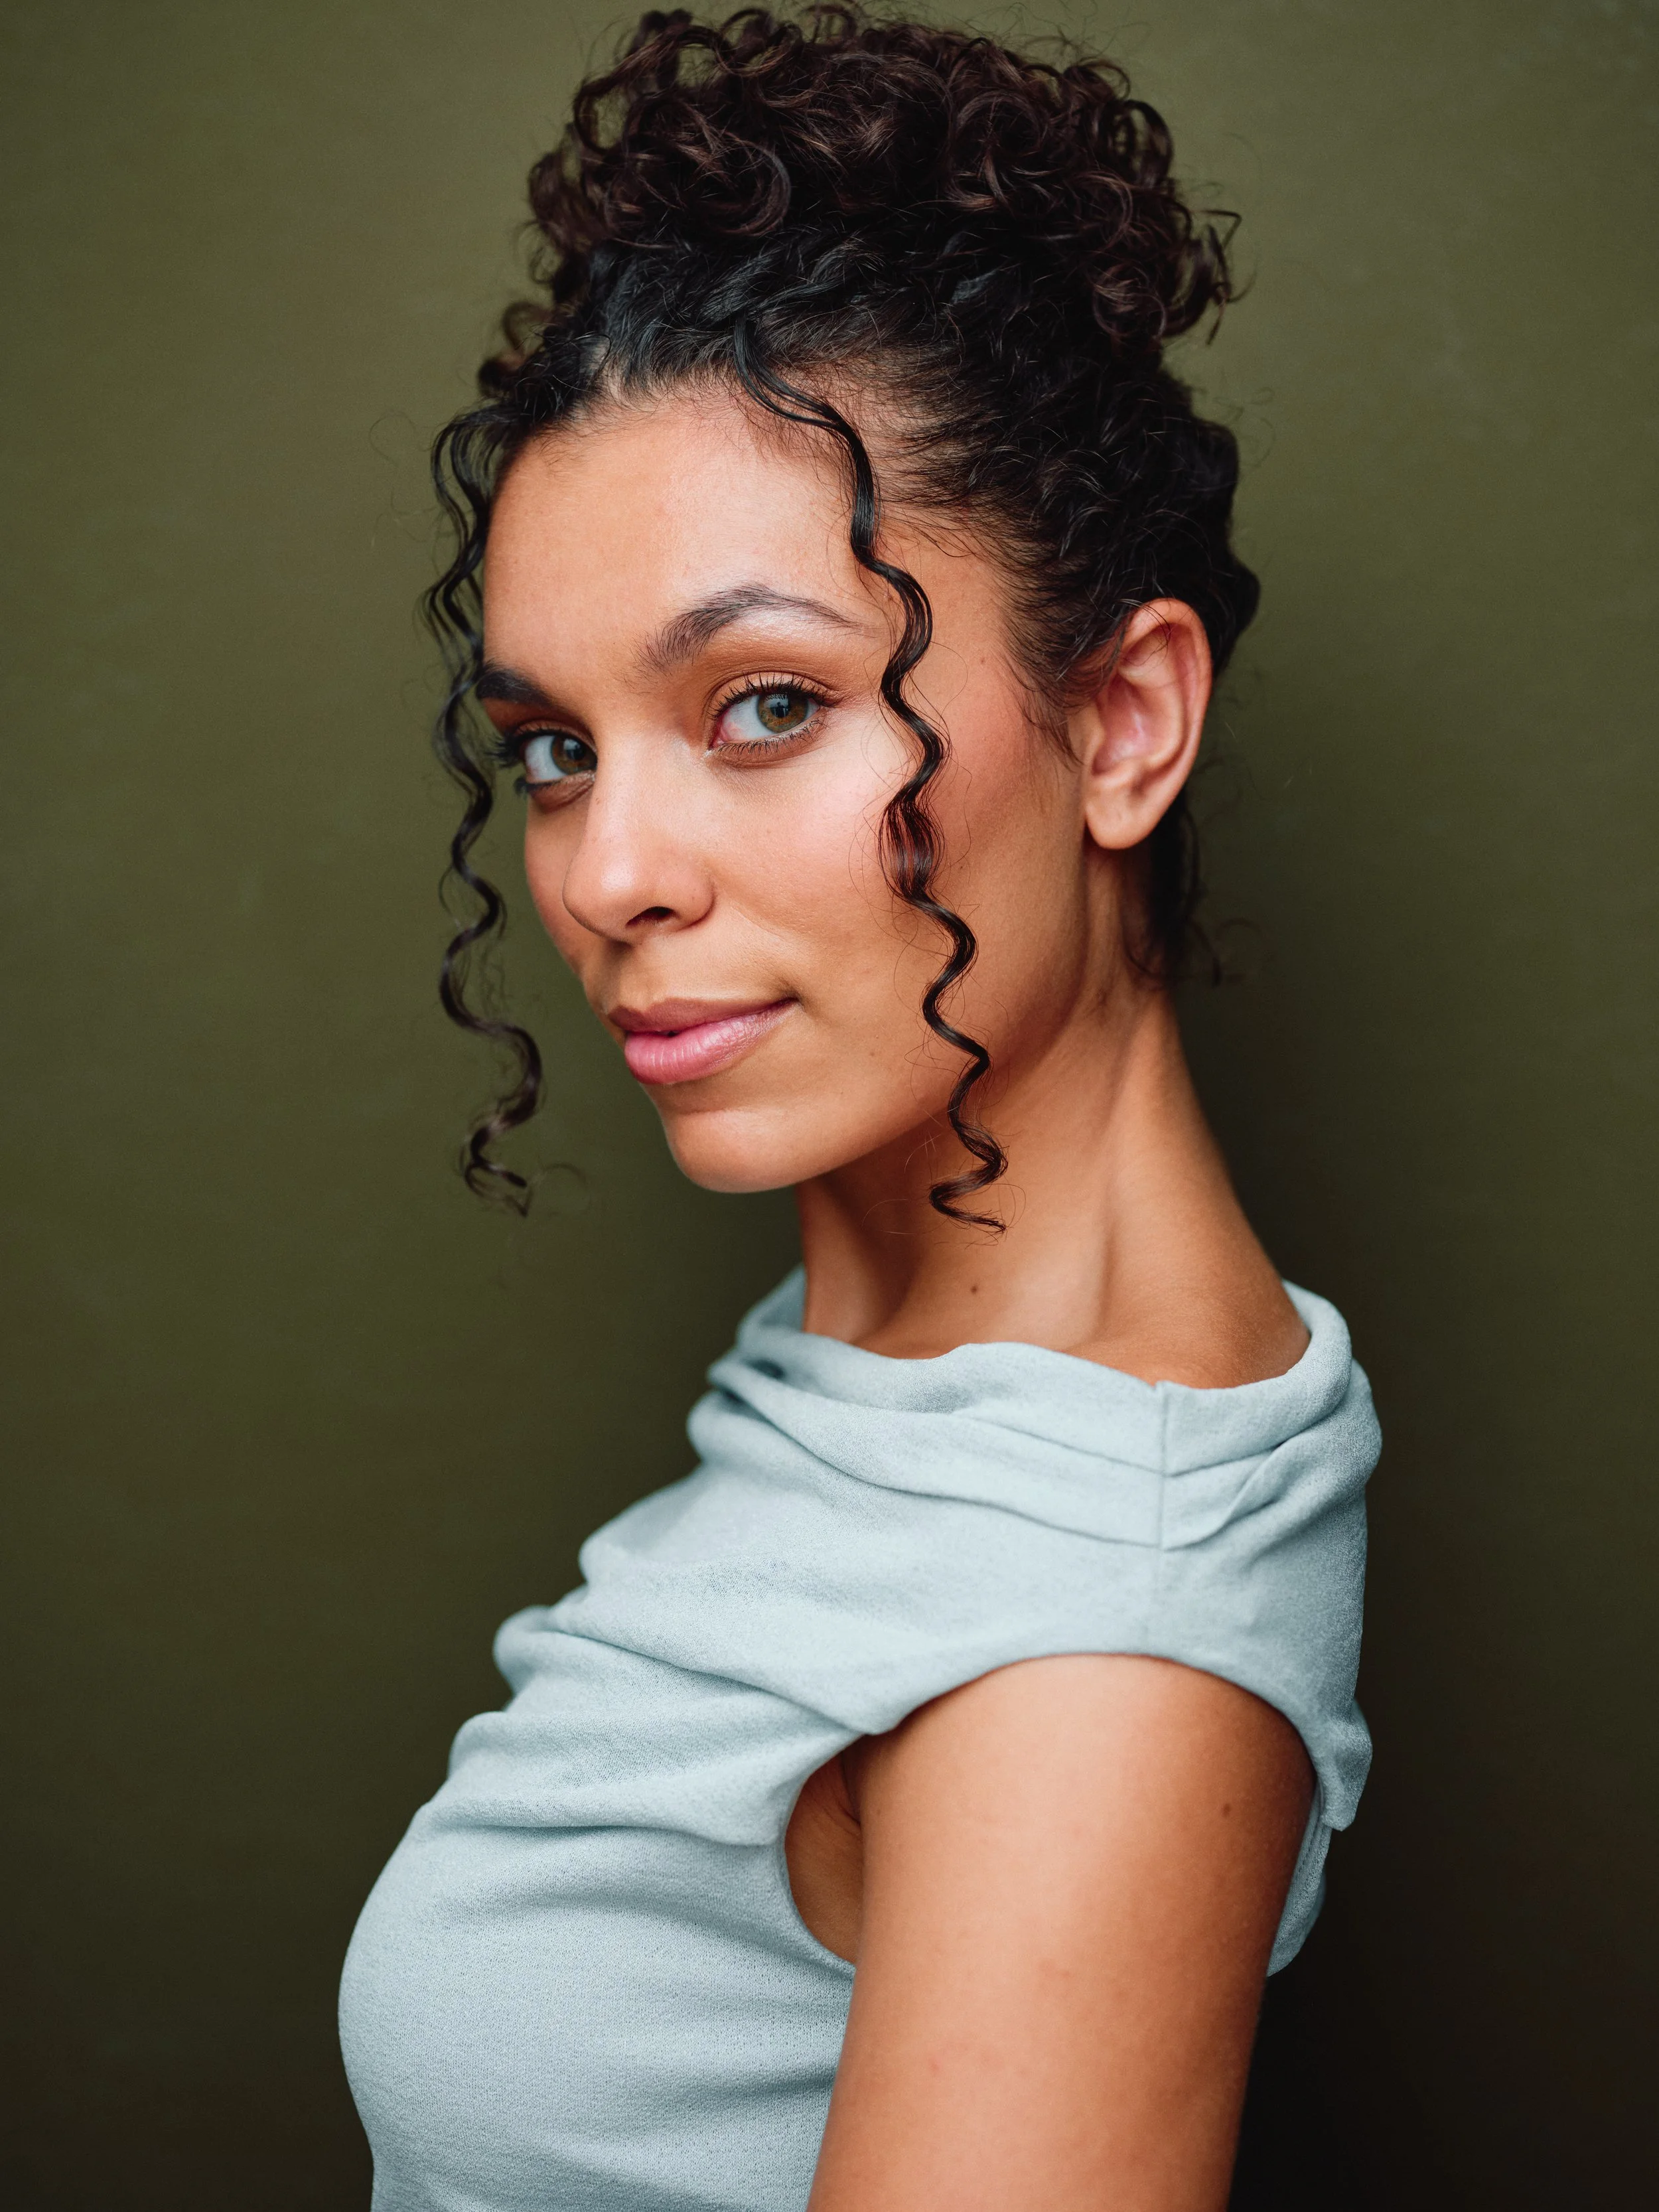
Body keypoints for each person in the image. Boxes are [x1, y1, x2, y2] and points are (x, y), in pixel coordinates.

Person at [339, 10, 1378, 2207]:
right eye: (556, 748)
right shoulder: (914, 1378)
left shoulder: (1085, 1649)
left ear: (1120, 722)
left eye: (765, 704)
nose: (608, 872)